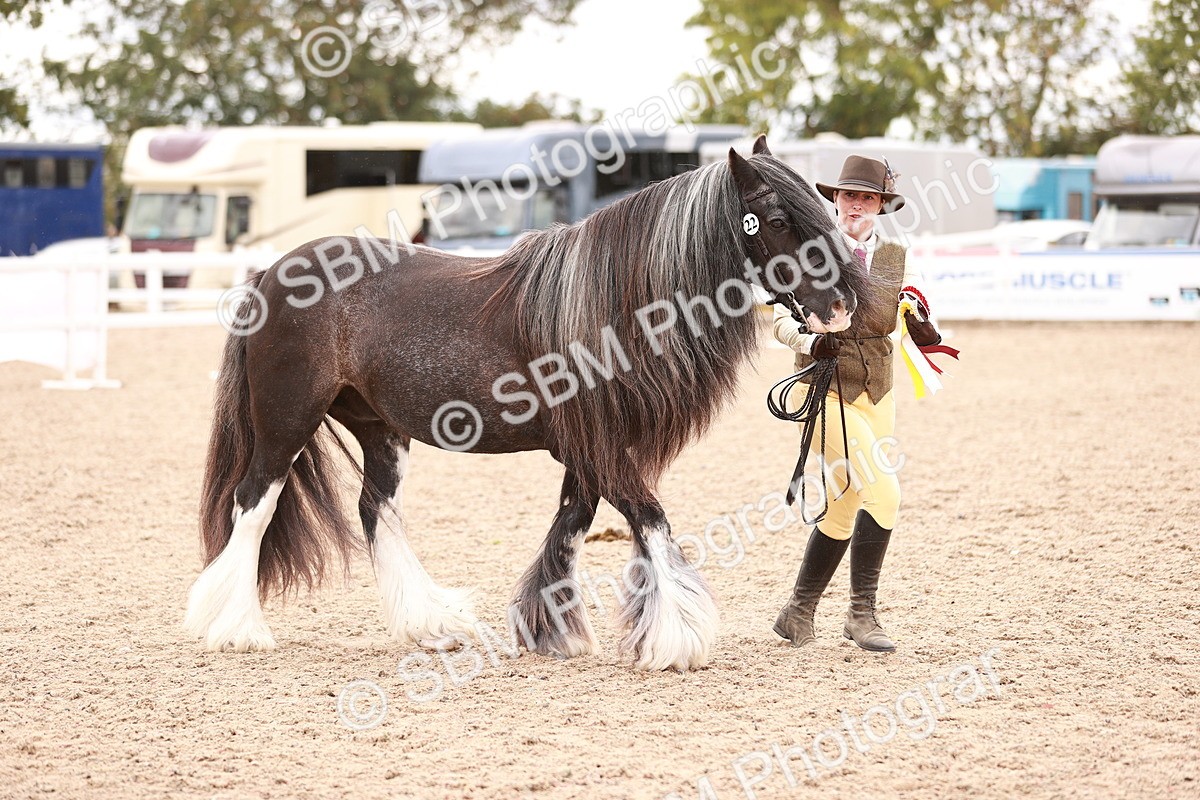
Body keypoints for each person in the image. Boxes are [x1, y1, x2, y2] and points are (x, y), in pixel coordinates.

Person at [771, 154, 943, 653]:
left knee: (846, 498)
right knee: (884, 491)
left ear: (881, 206)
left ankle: (798, 611)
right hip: (823, 389)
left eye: (867, 198)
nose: (856, 205)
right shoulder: (810, 253)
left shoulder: (895, 255)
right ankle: (861, 613)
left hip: (878, 392)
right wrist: (807, 337)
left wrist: (926, 329)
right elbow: (774, 315)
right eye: (849, 196)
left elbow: (914, 314)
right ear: (836, 200)